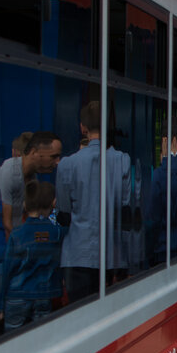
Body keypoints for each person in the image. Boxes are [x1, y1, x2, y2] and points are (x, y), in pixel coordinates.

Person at [57, 102, 131, 301]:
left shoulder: (67, 164)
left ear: (83, 128)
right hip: (110, 256)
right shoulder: (122, 161)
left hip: (77, 254)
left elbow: (63, 215)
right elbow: (126, 211)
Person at [2, 181, 65, 329]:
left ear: (25, 205)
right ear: (54, 203)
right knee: (42, 341)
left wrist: (0, 302)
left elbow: (7, 269)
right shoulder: (57, 232)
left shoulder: (16, 234)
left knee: (12, 342)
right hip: (44, 295)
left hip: (17, 295)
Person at [0, 131, 62, 238]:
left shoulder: (33, 176)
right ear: (33, 153)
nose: (57, 162)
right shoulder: (9, 172)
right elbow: (6, 223)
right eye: (53, 157)